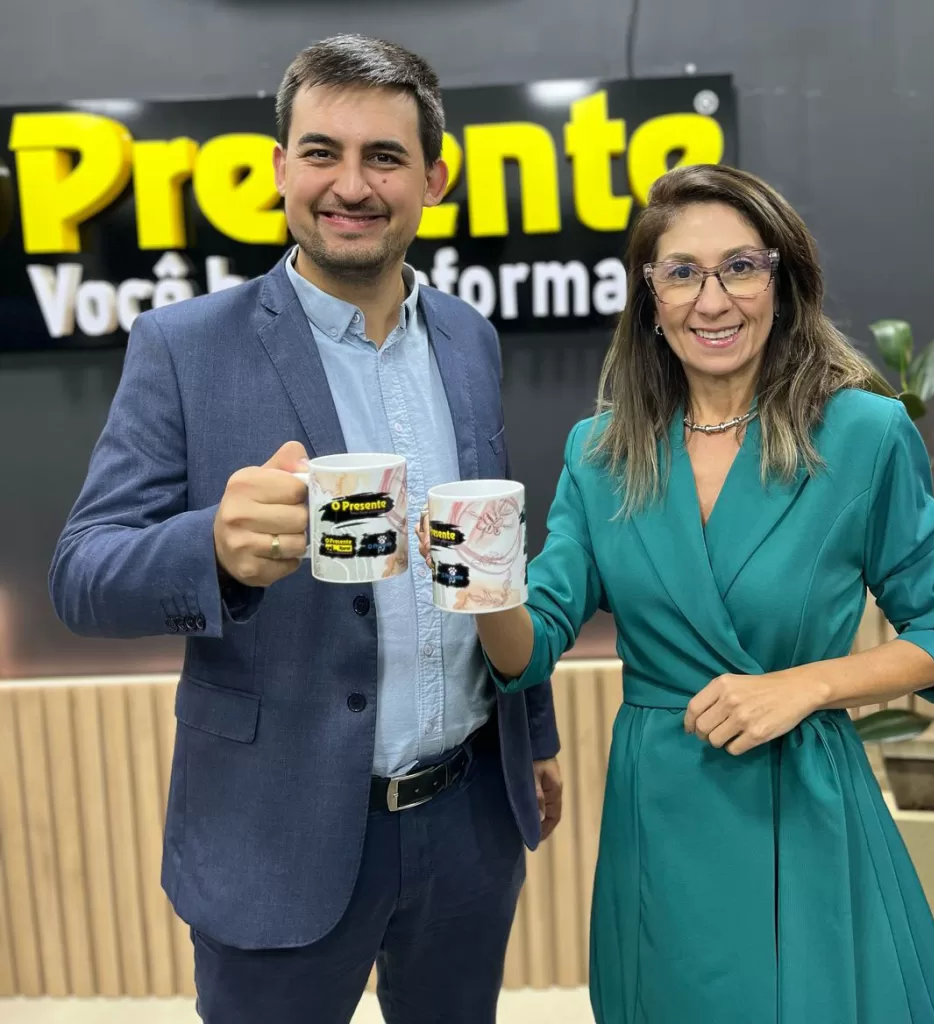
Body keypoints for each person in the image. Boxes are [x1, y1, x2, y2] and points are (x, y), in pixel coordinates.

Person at [49, 33, 562, 1024]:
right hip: (272, 834)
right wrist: (212, 548)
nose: (350, 186)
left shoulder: (468, 339)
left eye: (384, 157)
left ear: (434, 179)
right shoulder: (184, 347)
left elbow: (491, 554)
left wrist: (531, 734)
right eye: (322, 152)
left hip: (468, 817)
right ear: (280, 168)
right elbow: (81, 574)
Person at [421, 164, 934, 1023]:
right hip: (662, 814)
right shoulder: (599, 452)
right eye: (682, 272)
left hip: (803, 797)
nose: (712, 300)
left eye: (740, 267)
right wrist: (477, 580)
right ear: (651, 298)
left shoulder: (865, 433)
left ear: (782, 284)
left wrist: (805, 685)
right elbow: (530, 647)